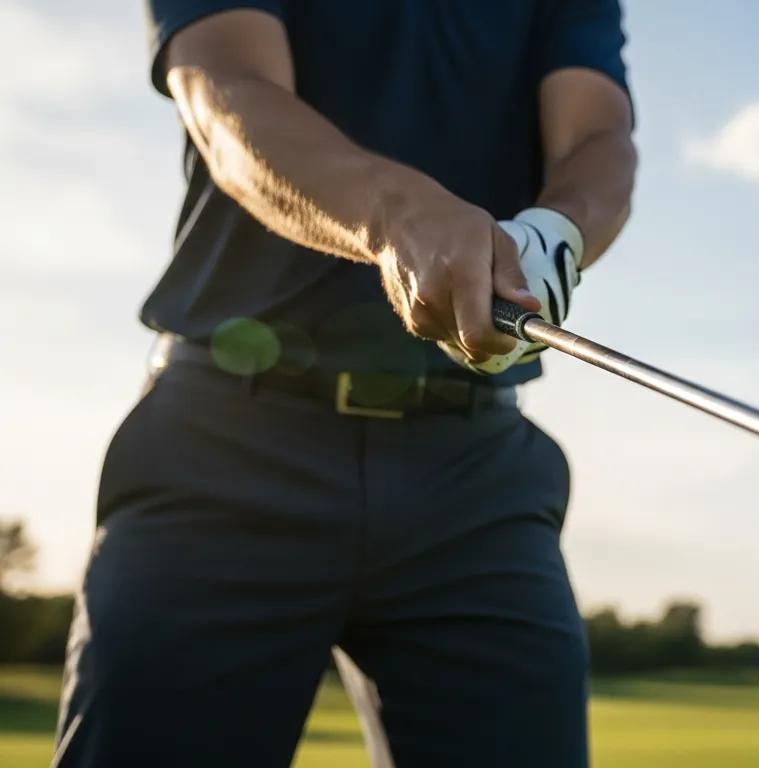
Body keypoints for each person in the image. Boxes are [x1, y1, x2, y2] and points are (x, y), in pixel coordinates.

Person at [53, 2, 636, 766]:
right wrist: (395, 211)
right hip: (226, 448)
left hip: (473, 473)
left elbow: (598, 135)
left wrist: (555, 231)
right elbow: (226, 87)